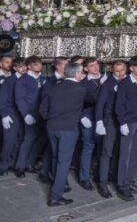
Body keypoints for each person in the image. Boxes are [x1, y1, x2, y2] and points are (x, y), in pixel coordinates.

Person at [39, 63, 87, 207]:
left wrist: (51, 119)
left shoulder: (53, 87)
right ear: (77, 74)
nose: (82, 75)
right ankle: (55, 196)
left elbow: (43, 108)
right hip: (68, 129)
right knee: (63, 162)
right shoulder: (81, 88)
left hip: (51, 127)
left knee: (55, 158)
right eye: (81, 73)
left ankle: (59, 186)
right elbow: (95, 98)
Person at [115, 56, 137, 200]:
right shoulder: (125, 83)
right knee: (125, 156)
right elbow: (119, 105)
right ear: (131, 68)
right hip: (128, 123)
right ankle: (122, 185)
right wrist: (122, 123)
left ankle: (130, 181)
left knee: (135, 154)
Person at [95, 60, 126, 198]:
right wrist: (99, 122)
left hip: (123, 122)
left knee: (118, 152)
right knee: (106, 153)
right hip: (109, 121)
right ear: (112, 71)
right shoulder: (108, 84)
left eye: (122, 70)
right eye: (116, 71)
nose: (119, 73)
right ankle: (102, 184)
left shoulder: (126, 82)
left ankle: (113, 176)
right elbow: (100, 105)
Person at [14, 55, 46, 177]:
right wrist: (26, 115)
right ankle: (20, 166)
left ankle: (29, 163)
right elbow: (19, 99)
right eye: (36, 64)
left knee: (41, 138)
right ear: (29, 66)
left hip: (42, 114)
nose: (40, 66)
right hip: (29, 114)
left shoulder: (44, 79)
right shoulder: (22, 80)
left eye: (40, 64)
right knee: (28, 139)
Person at [78, 57, 101, 191]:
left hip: (103, 117)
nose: (95, 67)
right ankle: (84, 177)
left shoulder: (106, 79)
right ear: (86, 69)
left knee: (102, 147)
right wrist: (81, 116)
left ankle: (99, 173)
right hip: (88, 115)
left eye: (96, 64)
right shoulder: (82, 82)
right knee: (88, 146)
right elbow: (75, 101)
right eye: (92, 65)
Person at [0, 57, 24, 175]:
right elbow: (2, 99)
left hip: (21, 114)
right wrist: (4, 114)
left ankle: (12, 163)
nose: (24, 68)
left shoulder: (25, 80)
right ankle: (3, 167)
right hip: (10, 113)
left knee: (18, 140)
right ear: (16, 68)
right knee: (9, 141)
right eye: (21, 66)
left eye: (25, 66)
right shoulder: (9, 81)